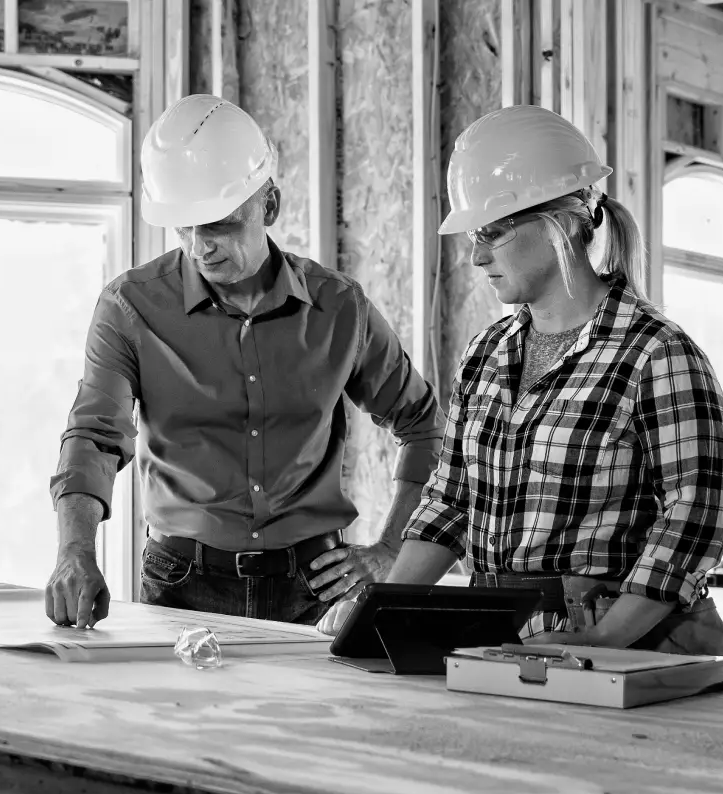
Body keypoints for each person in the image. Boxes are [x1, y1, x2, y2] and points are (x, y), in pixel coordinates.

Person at [318, 105, 723, 675]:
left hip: (623, 647)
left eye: (493, 231)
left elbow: (694, 518)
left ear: (561, 224)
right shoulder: (486, 355)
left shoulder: (657, 355)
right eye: (473, 235)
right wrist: (380, 613)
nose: (476, 254)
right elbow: (448, 504)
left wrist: (605, 643)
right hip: (500, 638)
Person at [46, 94, 444, 629]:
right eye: (183, 228)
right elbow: (94, 438)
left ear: (269, 207)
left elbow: (424, 427)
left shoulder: (339, 308)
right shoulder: (130, 307)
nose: (199, 247)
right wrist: (74, 550)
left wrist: (392, 547)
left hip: (314, 589)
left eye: (218, 225)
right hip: (179, 584)